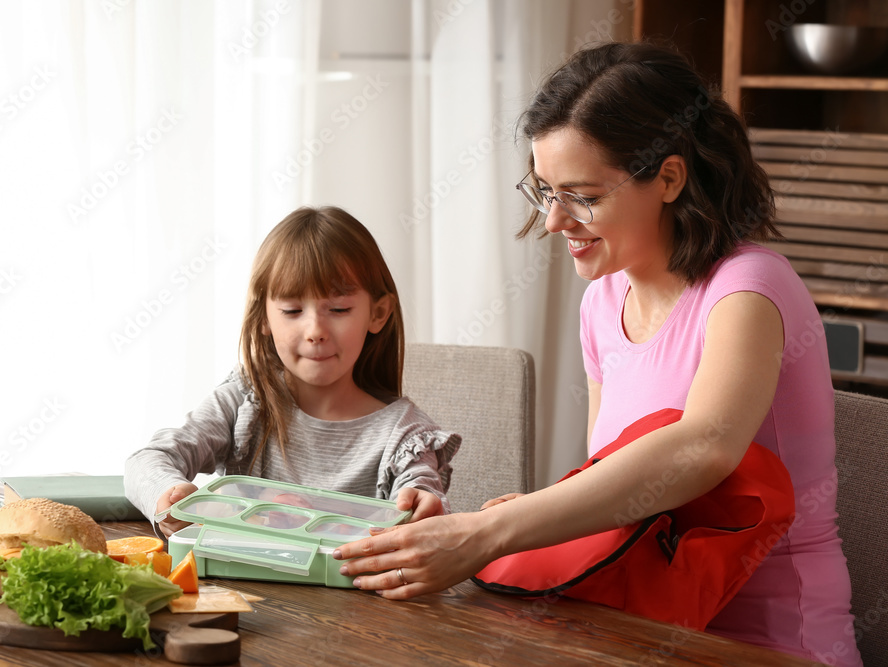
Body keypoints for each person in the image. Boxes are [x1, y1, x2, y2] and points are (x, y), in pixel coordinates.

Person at [334, 42, 861, 666]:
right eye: (544, 192)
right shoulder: (603, 302)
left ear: (668, 177)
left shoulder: (748, 289)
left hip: (767, 642)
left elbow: (703, 448)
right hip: (637, 627)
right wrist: (528, 513)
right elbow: (622, 493)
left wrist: (487, 532)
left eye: (581, 196)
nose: (555, 221)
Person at [125, 205, 461, 539]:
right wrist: (168, 496)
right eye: (292, 310)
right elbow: (147, 461)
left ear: (378, 313)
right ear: (263, 319)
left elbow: (423, 499)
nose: (315, 329)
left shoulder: (405, 436)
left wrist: (424, 511)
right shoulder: (246, 399)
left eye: (339, 309)